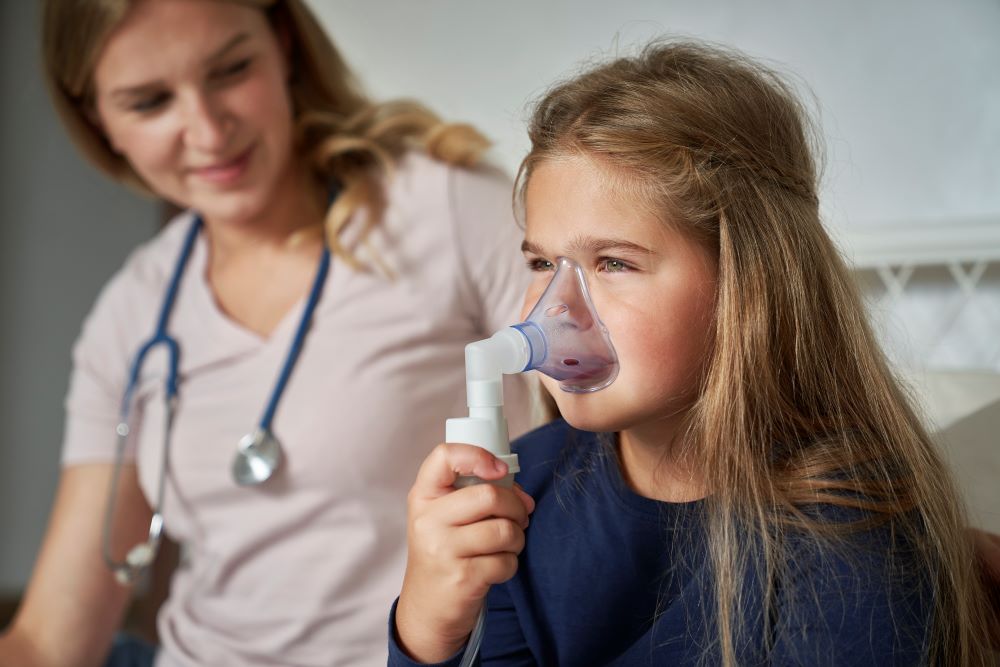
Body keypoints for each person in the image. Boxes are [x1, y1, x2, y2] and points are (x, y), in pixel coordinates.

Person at [390, 40, 996, 665]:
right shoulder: (525, 488)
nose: (555, 309)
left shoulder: (846, 532)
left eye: (614, 263)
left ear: (746, 284)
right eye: (543, 262)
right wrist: (428, 630)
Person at [0, 1, 530, 666]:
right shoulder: (131, 313)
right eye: (149, 101)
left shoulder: (447, 210)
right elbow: (51, 641)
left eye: (230, 70)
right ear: (97, 120)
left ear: (283, 43)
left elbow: (609, 428)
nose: (207, 130)